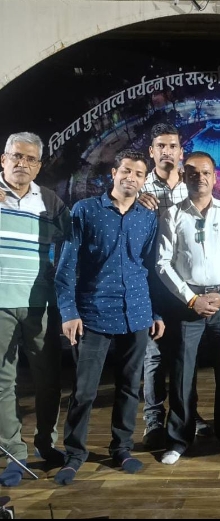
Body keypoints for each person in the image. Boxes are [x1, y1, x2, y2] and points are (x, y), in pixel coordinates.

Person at [53, 150, 164, 485]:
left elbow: (150, 268)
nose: (131, 178)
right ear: (114, 173)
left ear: (144, 180)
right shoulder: (85, 211)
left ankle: (122, 448)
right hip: (93, 313)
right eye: (126, 171)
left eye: (139, 174)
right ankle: (75, 454)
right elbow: (66, 266)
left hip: (137, 313)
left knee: (130, 387)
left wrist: (155, 311)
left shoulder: (147, 217)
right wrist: (69, 311)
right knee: (84, 391)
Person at [156, 151, 220, 465]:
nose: (200, 178)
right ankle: (178, 440)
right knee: (182, 375)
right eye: (193, 173)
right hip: (187, 304)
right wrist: (191, 298)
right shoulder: (172, 214)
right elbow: (163, 263)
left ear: (214, 176)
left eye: (206, 172)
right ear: (184, 176)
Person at [0, 132, 71, 487]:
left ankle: (46, 443)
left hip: (41, 304)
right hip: (0, 304)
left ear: (39, 166)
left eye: (30, 159)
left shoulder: (50, 200)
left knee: (49, 379)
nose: (22, 164)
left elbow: (76, 236)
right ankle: (13, 452)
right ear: (3, 159)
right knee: (3, 382)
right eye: (16, 156)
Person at [136, 123, 210, 450]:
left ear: (181, 152)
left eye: (173, 146)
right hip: (151, 283)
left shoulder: (191, 186)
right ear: (151, 151)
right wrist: (136, 199)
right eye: (161, 146)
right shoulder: (140, 187)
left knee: (185, 355)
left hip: (185, 286)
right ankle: (153, 420)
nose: (167, 152)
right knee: (153, 355)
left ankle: (188, 414)